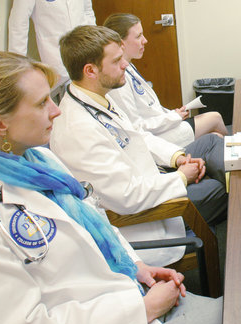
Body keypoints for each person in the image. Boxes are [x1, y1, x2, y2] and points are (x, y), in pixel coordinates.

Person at [0, 52, 221, 324]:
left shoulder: (42, 163)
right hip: (124, 321)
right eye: (42, 102)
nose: (56, 110)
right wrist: (140, 310)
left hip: (130, 296)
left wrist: (137, 267)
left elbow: (95, 224)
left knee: (237, 309)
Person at [50, 25, 227, 267]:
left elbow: (137, 136)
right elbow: (128, 197)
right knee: (222, 189)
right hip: (145, 221)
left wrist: (176, 158)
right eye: (116, 61)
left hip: (152, 181)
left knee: (215, 155)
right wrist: (181, 178)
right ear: (90, 70)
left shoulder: (96, 97)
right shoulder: (77, 129)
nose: (125, 65)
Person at [103, 12, 228, 145]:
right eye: (139, 36)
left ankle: (232, 156)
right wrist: (172, 118)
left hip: (161, 127)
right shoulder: (117, 79)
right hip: (153, 139)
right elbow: (136, 127)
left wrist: (172, 114)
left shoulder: (129, 67)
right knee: (215, 118)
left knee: (215, 136)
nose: (145, 40)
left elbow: (149, 108)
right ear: (121, 43)